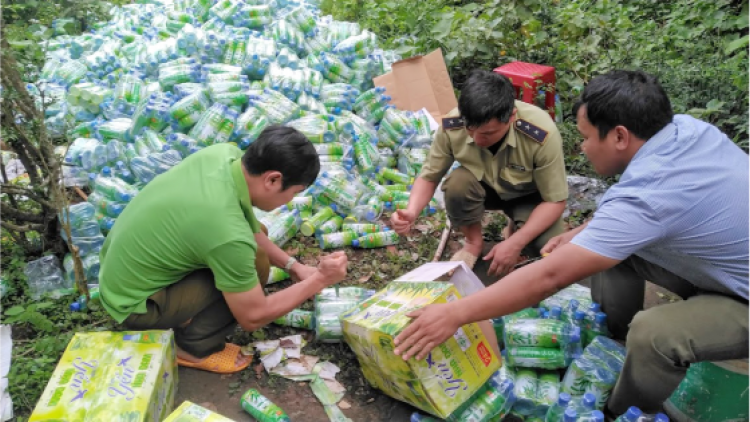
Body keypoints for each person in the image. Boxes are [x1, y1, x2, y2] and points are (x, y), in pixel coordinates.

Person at [391, 70, 750, 416]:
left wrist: (454, 313)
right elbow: (645, 211)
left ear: (620, 136)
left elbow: (550, 277)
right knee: (613, 255)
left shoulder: (649, 194)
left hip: (741, 297)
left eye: (588, 136)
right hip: (725, 267)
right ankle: (611, 340)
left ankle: (621, 410)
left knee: (654, 335)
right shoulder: (686, 130)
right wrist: (582, 234)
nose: (582, 146)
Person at [99, 125, 348, 374]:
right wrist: (320, 280)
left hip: (117, 274)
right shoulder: (228, 234)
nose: (291, 200)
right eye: (294, 192)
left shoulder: (223, 155)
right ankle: (193, 347)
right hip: (135, 306)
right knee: (253, 261)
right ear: (272, 179)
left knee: (256, 233)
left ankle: (182, 308)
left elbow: (246, 227)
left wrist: (294, 267)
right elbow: (253, 316)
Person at [390, 70, 568, 276]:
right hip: (485, 190)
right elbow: (430, 176)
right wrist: (411, 212)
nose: (476, 139)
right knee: (457, 184)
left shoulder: (540, 132)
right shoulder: (452, 125)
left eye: (487, 133)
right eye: (470, 129)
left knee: (549, 250)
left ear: (511, 117)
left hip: (528, 196)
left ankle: (516, 228)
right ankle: (474, 243)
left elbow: (555, 201)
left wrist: (516, 243)